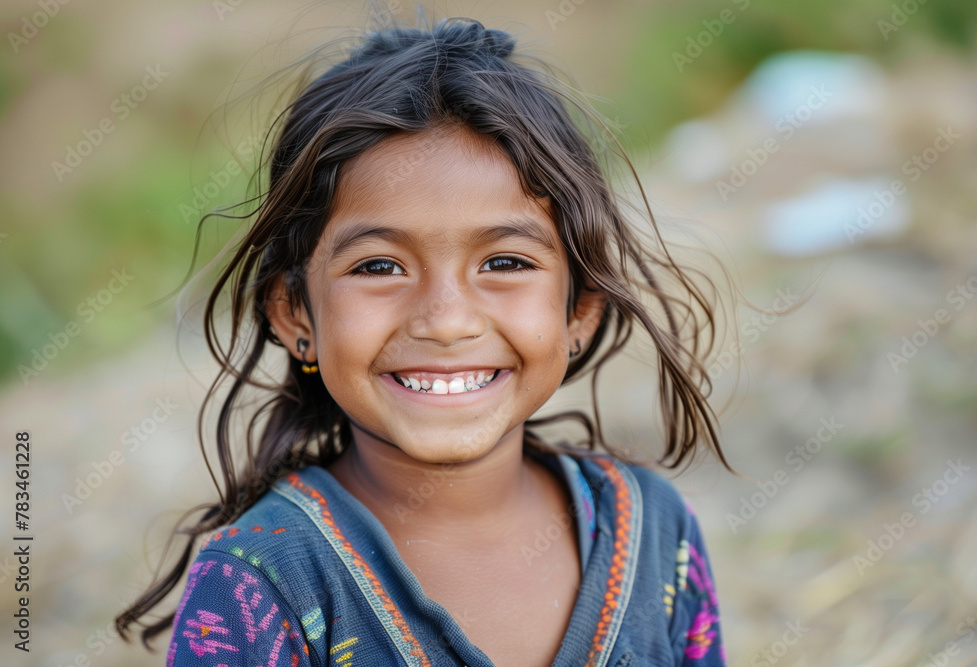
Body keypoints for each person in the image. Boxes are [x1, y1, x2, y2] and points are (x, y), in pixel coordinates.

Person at [118, 15, 732, 666]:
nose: (445, 320)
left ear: (578, 310)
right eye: (379, 267)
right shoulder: (262, 584)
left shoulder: (656, 532)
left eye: (504, 263)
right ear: (296, 314)